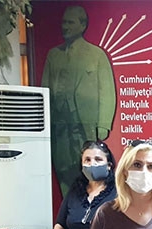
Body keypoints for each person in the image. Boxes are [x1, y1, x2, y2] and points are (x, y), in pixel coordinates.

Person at [42, 5, 117, 196]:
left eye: (70, 22)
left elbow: (107, 90)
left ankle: (90, 206)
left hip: (85, 125)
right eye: (63, 22)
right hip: (59, 127)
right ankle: (69, 208)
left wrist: (103, 124)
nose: (65, 26)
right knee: (63, 170)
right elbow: (45, 90)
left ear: (82, 25)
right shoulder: (54, 55)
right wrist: (44, 123)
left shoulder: (96, 55)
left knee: (89, 171)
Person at [53, 140, 117, 229]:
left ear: (109, 165)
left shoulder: (118, 193)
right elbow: (60, 226)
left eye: (98, 159)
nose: (92, 163)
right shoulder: (75, 190)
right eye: (87, 160)